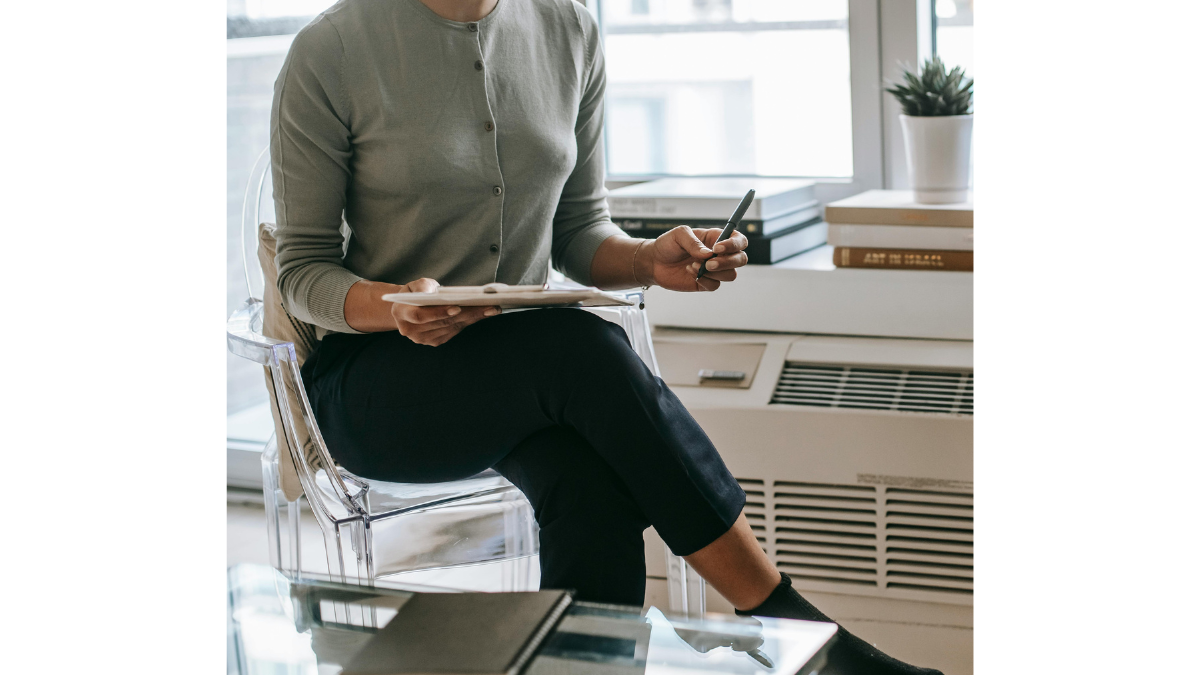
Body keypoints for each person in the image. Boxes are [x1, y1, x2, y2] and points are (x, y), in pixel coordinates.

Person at [271, 0, 941, 672]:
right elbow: (301, 270)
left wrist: (652, 260)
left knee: (589, 483)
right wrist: (394, 307)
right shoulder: (332, 50)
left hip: (524, 379)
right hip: (373, 382)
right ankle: (795, 627)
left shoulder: (568, 30)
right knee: (579, 347)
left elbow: (577, 231)